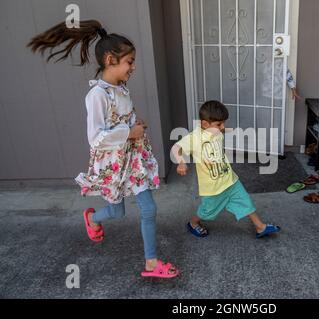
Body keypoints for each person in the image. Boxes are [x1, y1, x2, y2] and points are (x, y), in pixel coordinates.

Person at [28, 20, 178, 278]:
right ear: (110, 60)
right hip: (112, 164)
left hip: (133, 159)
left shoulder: (121, 88)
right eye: (129, 61)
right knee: (117, 212)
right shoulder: (96, 95)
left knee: (148, 207)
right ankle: (93, 218)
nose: (133, 66)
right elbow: (96, 137)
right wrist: (129, 132)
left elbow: (122, 117)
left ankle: (151, 263)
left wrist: (135, 123)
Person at [171, 100, 281, 238]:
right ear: (205, 124)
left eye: (224, 123)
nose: (223, 127)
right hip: (212, 188)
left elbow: (220, 131)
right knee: (207, 211)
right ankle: (193, 223)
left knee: (245, 201)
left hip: (229, 179)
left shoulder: (215, 131)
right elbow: (176, 148)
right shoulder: (195, 137)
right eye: (219, 124)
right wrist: (181, 162)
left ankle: (261, 227)